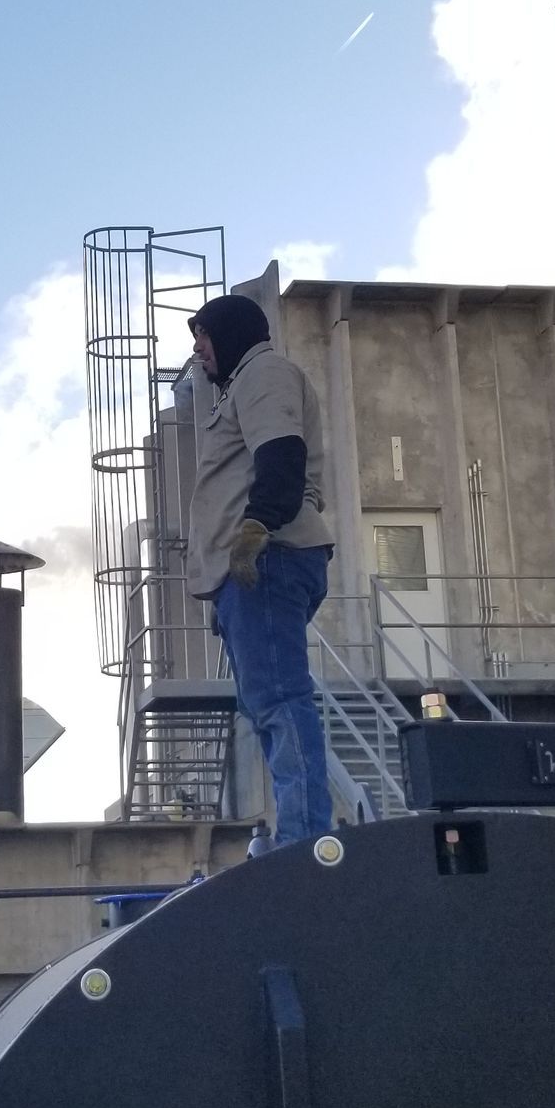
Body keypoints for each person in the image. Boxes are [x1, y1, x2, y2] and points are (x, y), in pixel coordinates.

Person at [185, 292, 335, 849]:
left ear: (230, 334)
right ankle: (298, 831)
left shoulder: (263, 374)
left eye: (203, 337)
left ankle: (304, 841)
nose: (198, 351)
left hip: (267, 559)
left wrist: (255, 529)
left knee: (279, 699)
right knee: (267, 701)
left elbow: (281, 457)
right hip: (256, 567)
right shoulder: (245, 384)